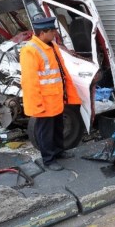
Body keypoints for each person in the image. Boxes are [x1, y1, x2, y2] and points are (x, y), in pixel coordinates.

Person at [20, 17, 82, 171]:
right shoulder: (30, 50)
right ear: (43, 32)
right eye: (52, 31)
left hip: (56, 99)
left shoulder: (51, 45)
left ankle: (59, 152)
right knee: (45, 132)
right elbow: (30, 81)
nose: (55, 33)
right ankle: (48, 159)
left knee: (57, 128)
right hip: (44, 102)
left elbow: (59, 72)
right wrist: (37, 104)